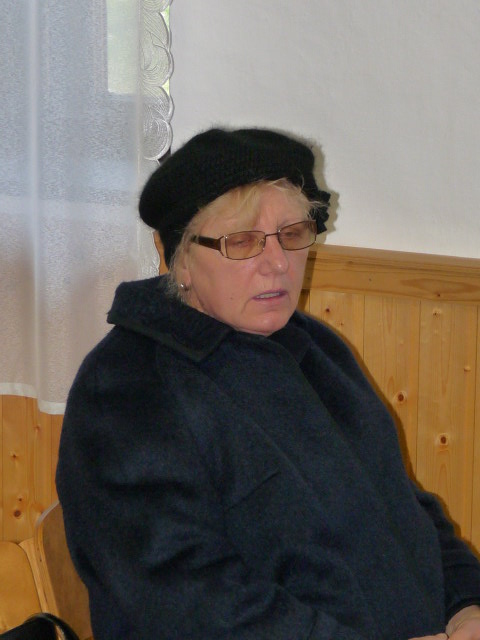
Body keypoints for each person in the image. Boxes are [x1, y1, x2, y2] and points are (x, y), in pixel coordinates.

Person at [56, 128, 480, 640]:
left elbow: (406, 507)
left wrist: (467, 605)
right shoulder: (127, 391)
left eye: (293, 234)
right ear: (177, 258)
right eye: (242, 242)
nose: (278, 263)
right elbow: (187, 604)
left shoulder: (314, 348)